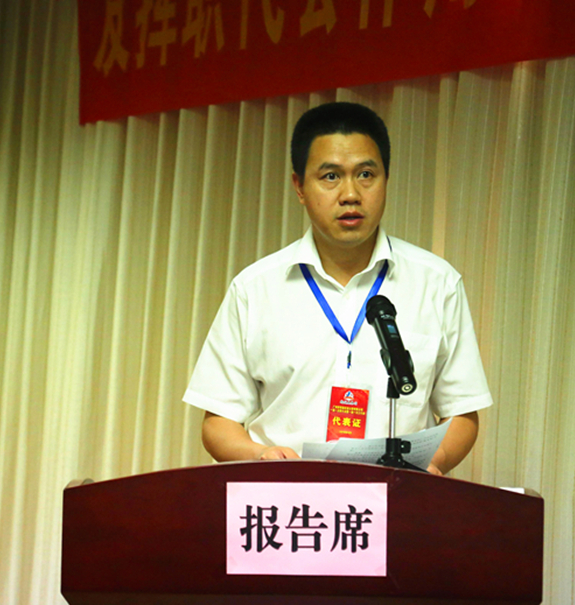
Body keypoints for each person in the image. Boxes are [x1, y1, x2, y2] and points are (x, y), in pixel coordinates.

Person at [183, 102, 492, 475]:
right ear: (299, 186)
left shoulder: (436, 283)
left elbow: (462, 412)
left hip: (399, 497)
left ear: (386, 179)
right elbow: (218, 420)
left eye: (366, 174)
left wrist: (432, 466)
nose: (350, 194)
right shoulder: (255, 288)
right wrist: (259, 456)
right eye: (330, 176)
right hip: (289, 498)